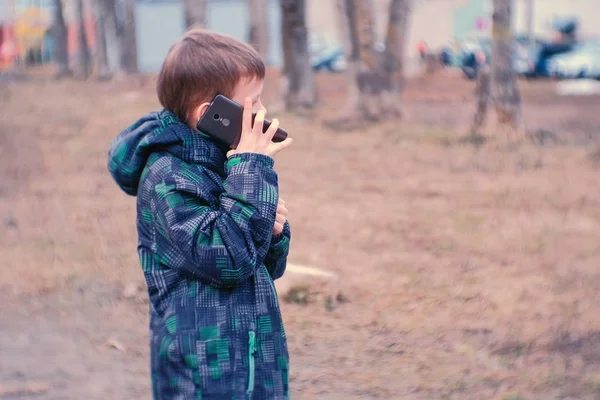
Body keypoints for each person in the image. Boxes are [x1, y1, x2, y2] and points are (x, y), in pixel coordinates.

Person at [107, 28, 294, 399]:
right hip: (203, 375)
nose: (261, 114)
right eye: (252, 103)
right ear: (213, 115)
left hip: (255, 360)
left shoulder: (229, 163)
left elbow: (267, 269)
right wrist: (251, 170)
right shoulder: (168, 178)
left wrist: (274, 232)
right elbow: (227, 260)